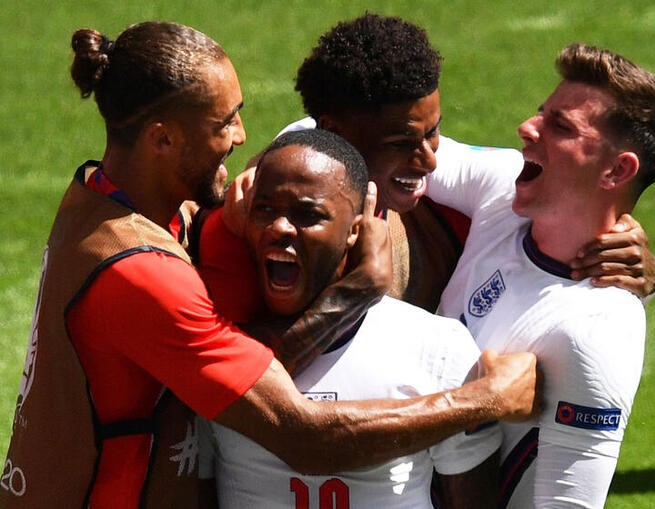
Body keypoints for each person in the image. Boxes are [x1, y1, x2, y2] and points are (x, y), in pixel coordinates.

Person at [0, 21, 539, 509]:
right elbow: (301, 436)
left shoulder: (102, 200)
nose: (240, 138)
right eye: (225, 122)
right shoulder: (140, 272)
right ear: (162, 138)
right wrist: (482, 398)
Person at [220, 13, 655, 317]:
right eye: (403, 141)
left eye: (433, 132)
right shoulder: (255, 225)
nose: (430, 159)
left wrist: (647, 270)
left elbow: (579, 196)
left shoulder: (497, 185)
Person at [432, 43, 655, 507]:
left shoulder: (594, 333)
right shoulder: (502, 186)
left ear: (615, 169)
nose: (526, 128)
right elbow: (371, 135)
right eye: (541, 114)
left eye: (560, 126)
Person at [198, 128, 499, 508]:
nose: (279, 228)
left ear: (356, 230)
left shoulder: (436, 347)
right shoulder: (208, 336)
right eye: (265, 209)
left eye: (308, 214)